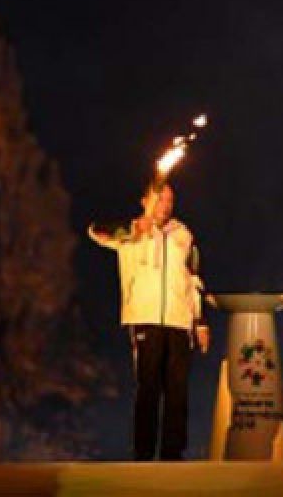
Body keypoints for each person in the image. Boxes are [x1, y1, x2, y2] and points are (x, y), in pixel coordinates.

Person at [88, 182, 210, 460]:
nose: (165, 205)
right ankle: (143, 454)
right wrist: (133, 229)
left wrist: (199, 321)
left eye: (169, 200)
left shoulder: (183, 234)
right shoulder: (132, 233)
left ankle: (173, 453)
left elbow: (194, 279)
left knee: (177, 390)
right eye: (159, 199)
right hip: (145, 320)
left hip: (179, 322)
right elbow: (95, 231)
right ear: (145, 201)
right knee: (148, 388)